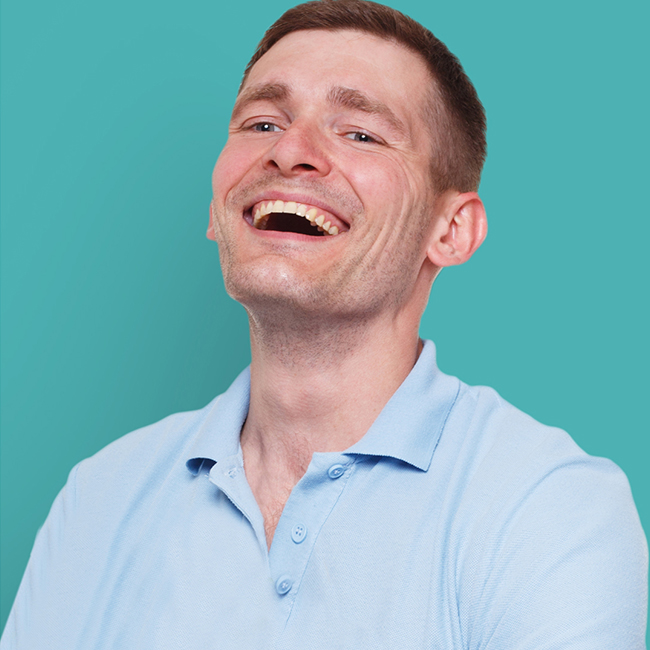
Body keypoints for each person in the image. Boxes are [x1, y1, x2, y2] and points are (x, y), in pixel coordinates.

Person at [2, 0, 647, 647]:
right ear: (216, 209)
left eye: (360, 133)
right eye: (262, 123)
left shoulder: (547, 505)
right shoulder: (100, 496)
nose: (289, 152)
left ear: (451, 230)